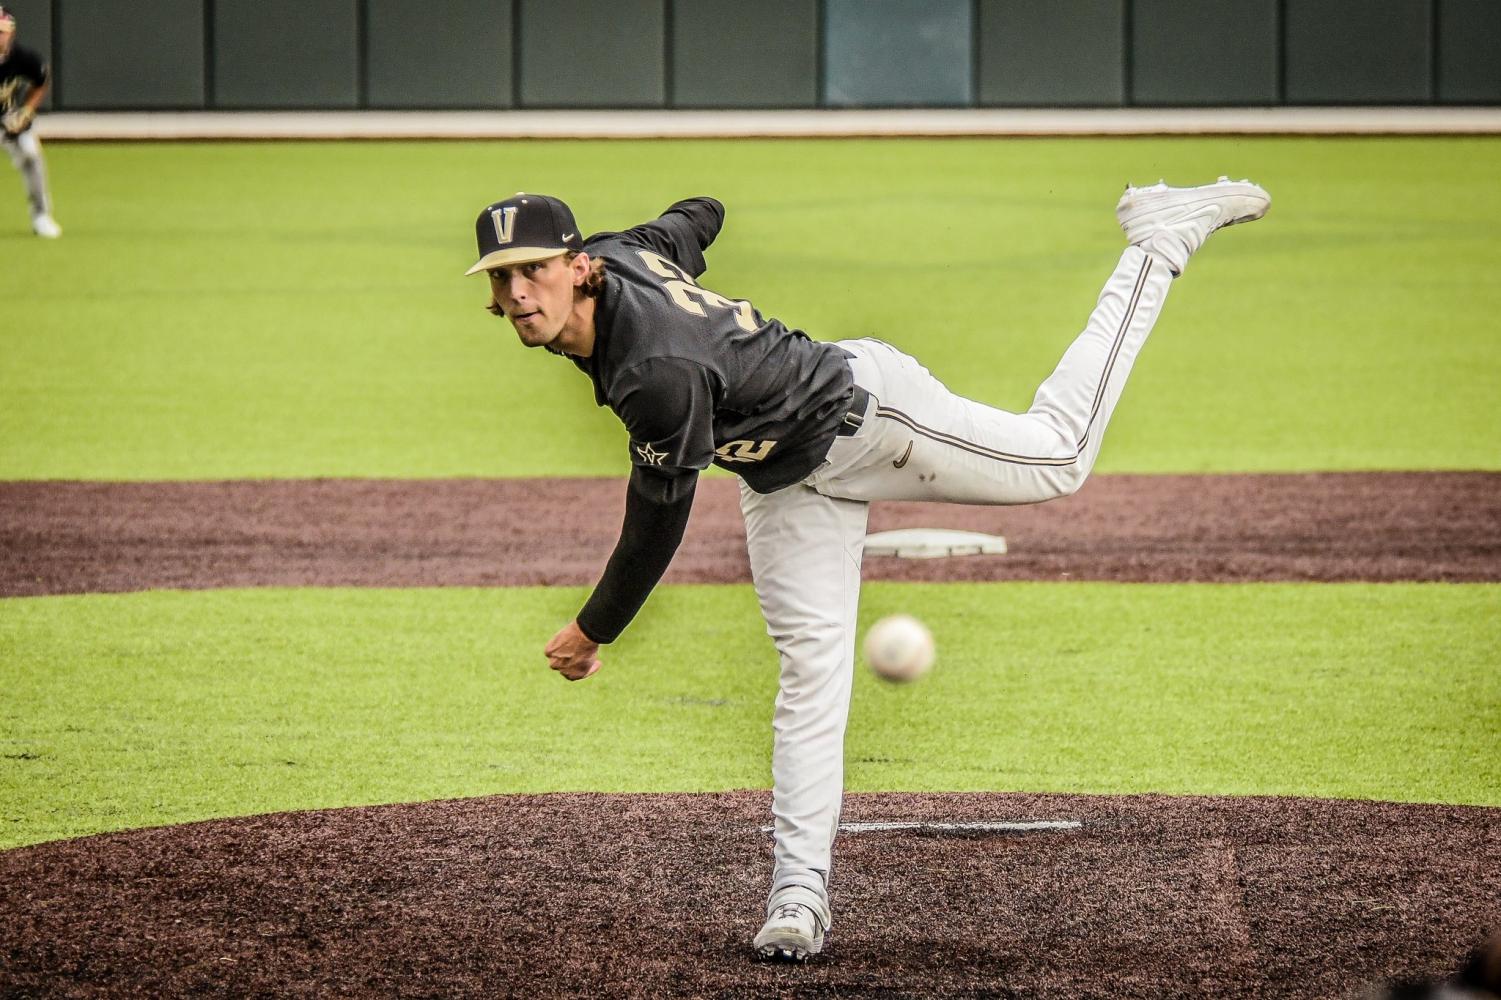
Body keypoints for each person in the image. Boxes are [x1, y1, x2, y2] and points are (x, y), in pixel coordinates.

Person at [465, 178, 1270, 960]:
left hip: (874, 421)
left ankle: (1159, 240)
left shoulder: (656, 374)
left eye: (533, 268)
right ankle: (797, 898)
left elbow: (657, 521)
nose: (519, 293)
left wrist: (590, 628)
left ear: (577, 266)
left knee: (1056, 455)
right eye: (502, 279)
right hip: (785, 480)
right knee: (810, 673)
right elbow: (695, 217)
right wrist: (683, 257)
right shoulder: (622, 256)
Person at [0, 5, 60, 238]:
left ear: (11, 33)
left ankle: (41, 216)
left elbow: (41, 80)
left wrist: (25, 111)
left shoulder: (23, 58)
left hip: (7, 116)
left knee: (31, 153)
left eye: (1, 32)